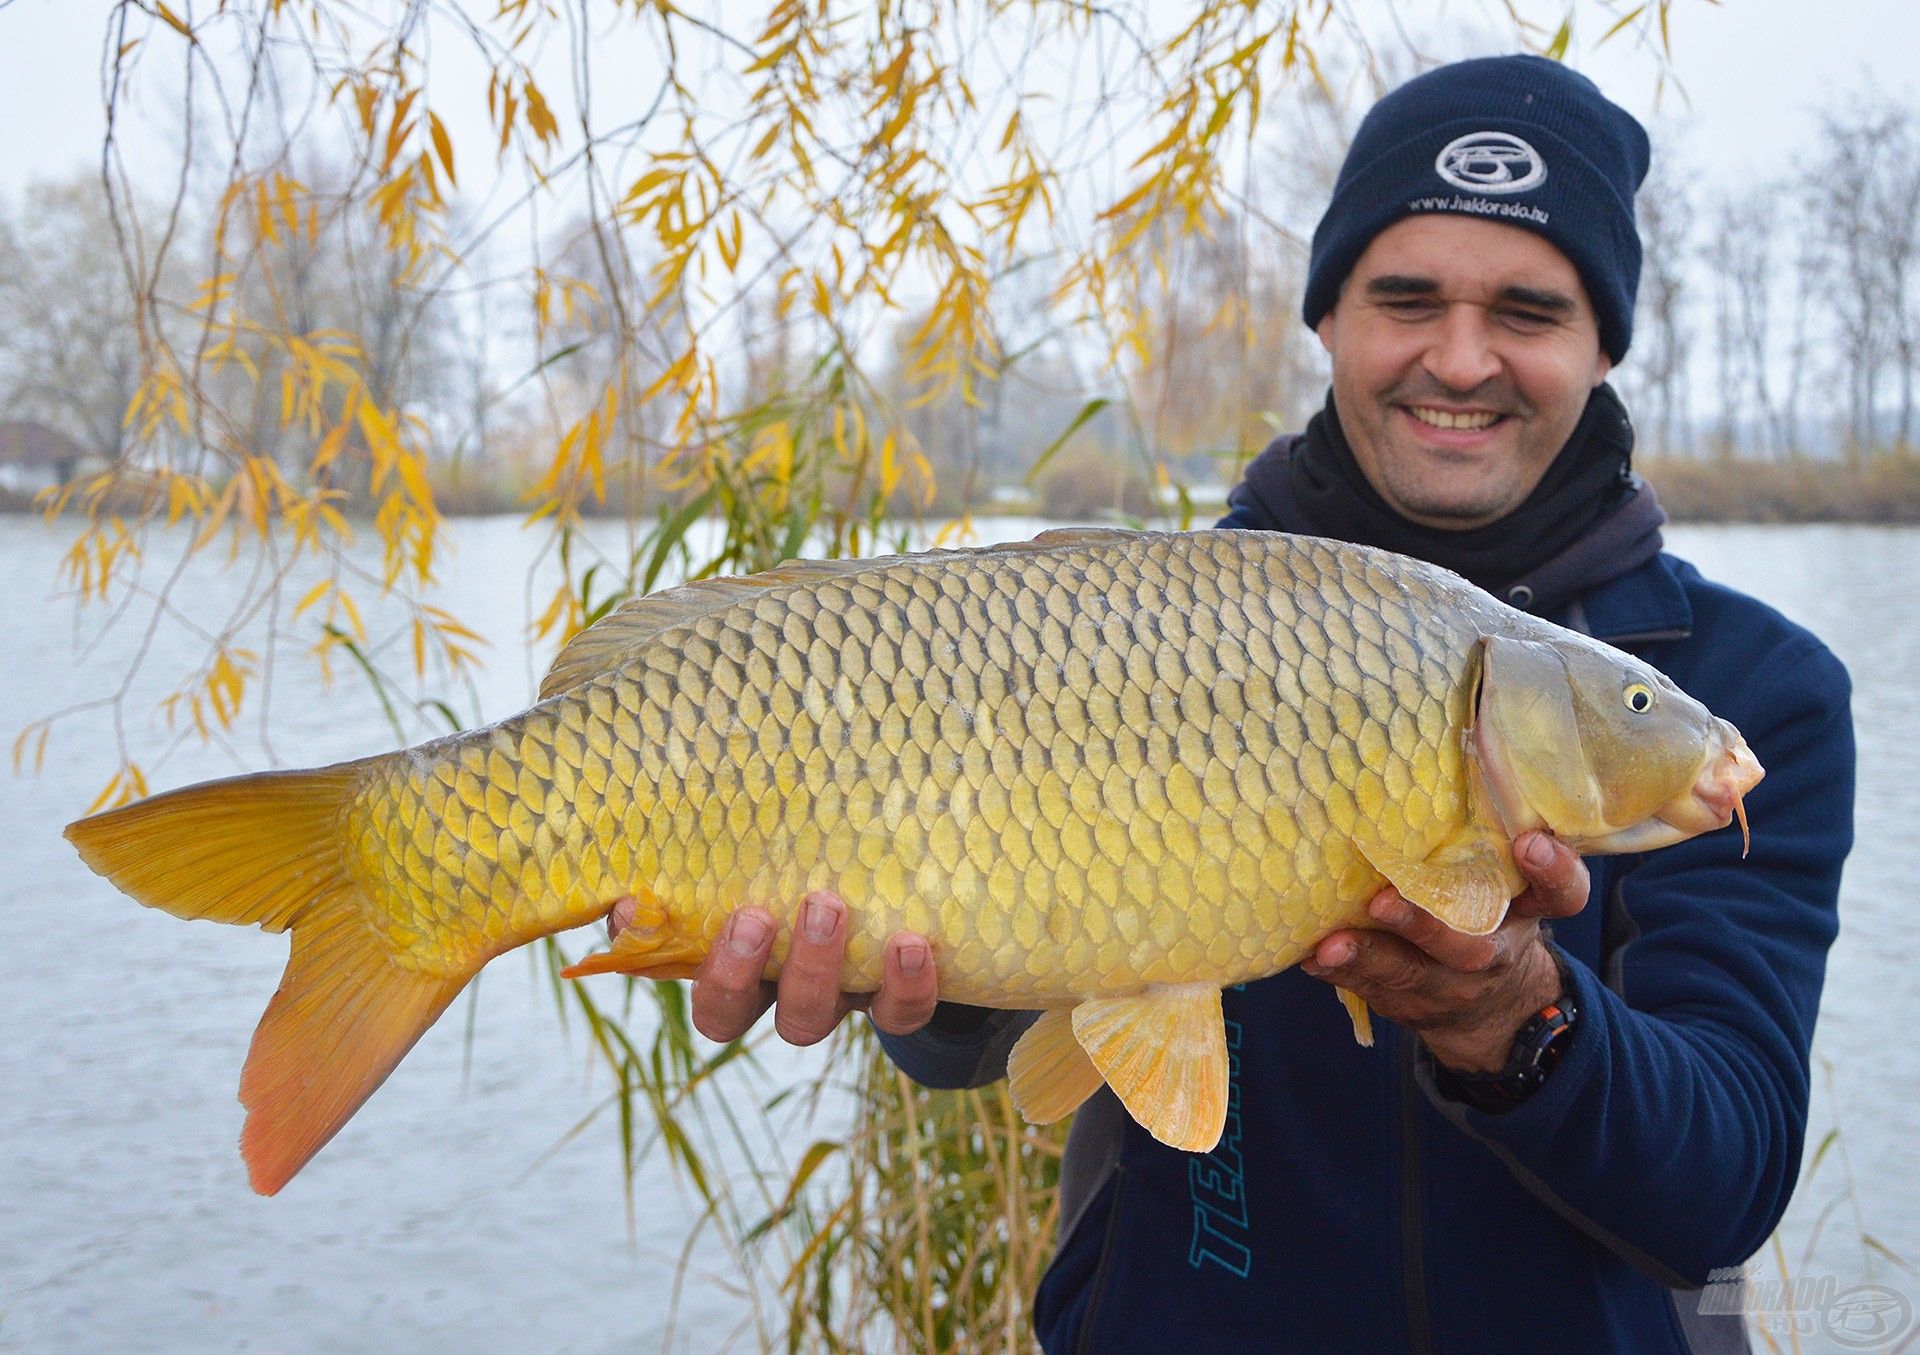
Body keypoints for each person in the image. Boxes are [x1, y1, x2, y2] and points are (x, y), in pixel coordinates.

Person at [608, 55, 1855, 1352]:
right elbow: (958, 1050)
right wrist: (883, 956)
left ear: (1606, 341)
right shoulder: (1148, 620)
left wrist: (1514, 1015)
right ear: (1328, 319)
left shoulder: (1759, 690)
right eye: (1407, 297)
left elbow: (1725, 1185)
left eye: (1530, 311)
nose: (1463, 356)